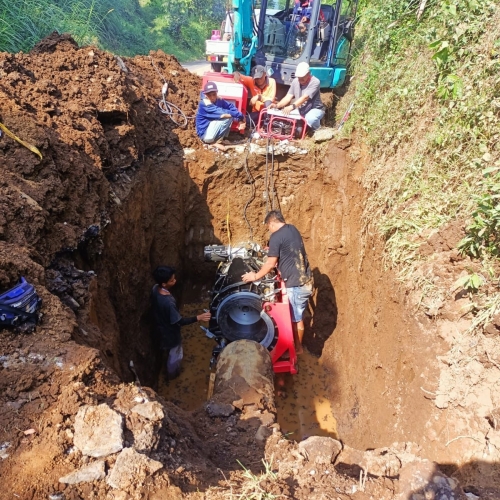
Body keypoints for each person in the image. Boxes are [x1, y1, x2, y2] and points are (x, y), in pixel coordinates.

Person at [241, 210, 313, 354]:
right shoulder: (292, 229)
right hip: (305, 278)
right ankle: (295, 346)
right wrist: (273, 249)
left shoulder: (276, 236)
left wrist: (255, 276)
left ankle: (296, 349)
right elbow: (288, 248)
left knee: (294, 319)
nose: (269, 230)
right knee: (295, 317)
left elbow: (269, 264)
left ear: (272, 223)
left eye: (269, 227)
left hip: (297, 284)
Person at [151, 266, 211, 380]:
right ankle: (172, 375)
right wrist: (199, 317)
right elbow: (179, 321)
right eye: (172, 280)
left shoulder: (155, 289)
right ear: (164, 284)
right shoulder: (168, 302)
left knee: (167, 350)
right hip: (170, 334)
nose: (175, 281)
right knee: (175, 354)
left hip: (159, 328)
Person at [270, 61, 325, 132]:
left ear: (308, 74)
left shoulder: (315, 82)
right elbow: (288, 97)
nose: (300, 80)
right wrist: (277, 106)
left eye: (302, 78)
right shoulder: (295, 81)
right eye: (299, 78)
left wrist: (292, 107)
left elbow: (305, 97)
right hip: (301, 109)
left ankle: (318, 130)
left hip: (315, 109)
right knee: (291, 126)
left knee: (311, 118)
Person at [195, 81, 246, 151]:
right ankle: (214, 143)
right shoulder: (205, 104)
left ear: (217, 92)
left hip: (211, 131)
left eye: (214, 94)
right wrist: (241, 116)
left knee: (229, 115)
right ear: (205, 95)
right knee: (227, 116)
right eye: (209, 95)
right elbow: (224, 112)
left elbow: (230, 106)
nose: (212, 97)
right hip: (205, 135)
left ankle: (218, 140)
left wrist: (239, 119)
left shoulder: (218, 99)